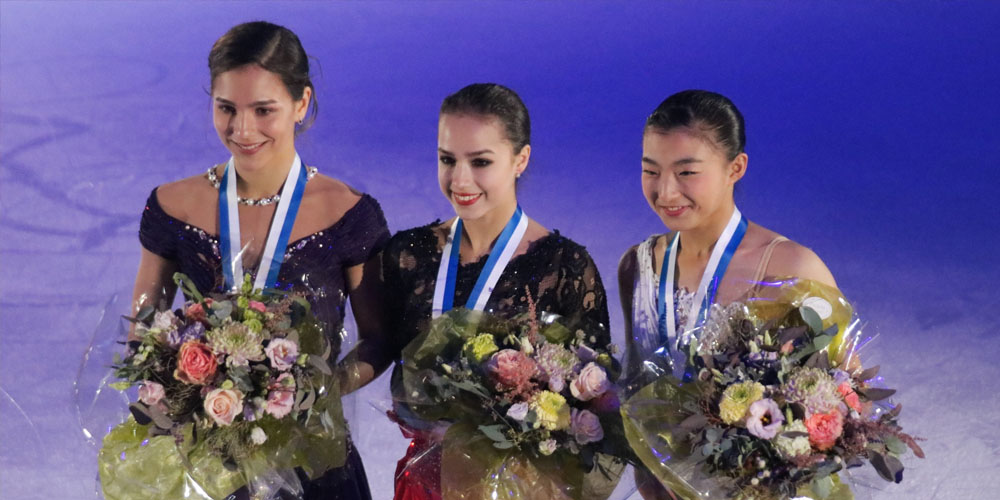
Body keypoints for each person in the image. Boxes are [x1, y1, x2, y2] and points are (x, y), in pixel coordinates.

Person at [130, 21, 388, 500]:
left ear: (301, 103)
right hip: (206, 464)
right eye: (226, 108)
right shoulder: (171, 206)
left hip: (314, 463)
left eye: (264, 110)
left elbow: (379, 338)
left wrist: (312, 392)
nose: (242, 130)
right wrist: (183, 389)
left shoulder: (349, 214)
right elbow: (143, 329)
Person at [376, 83, 611, 500]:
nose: (460, 179)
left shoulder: (564, 268)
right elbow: (383, 349)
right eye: (447, 159)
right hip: (423, 482)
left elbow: (598, 403)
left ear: (521, 159)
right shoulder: (409, 254)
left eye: (481, 161)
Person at [618, 90, 838, 499]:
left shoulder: (793, 268)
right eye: (651, 170)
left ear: (735, 167)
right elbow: (636, 387)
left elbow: (846, 399)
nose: (665, 191)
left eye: (687, 172)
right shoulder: (638, 265)